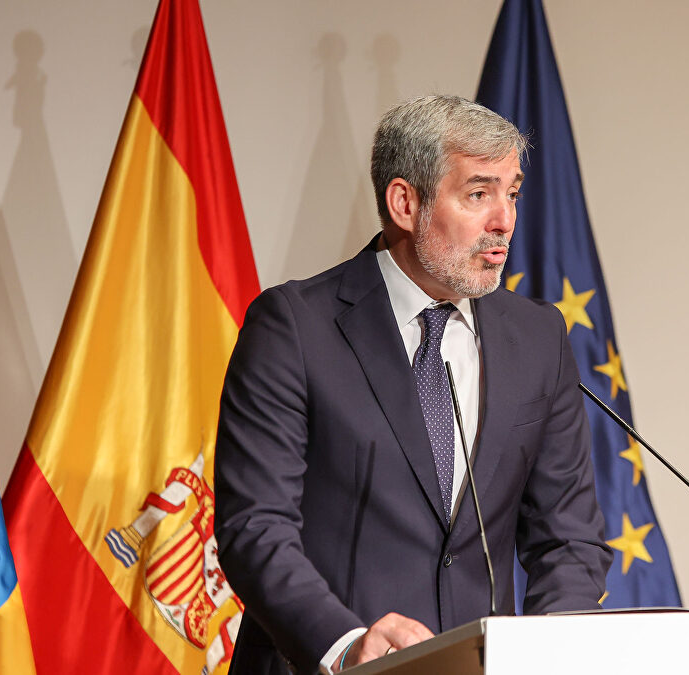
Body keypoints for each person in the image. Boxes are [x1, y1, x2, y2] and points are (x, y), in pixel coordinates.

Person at [213, 95, 611, 675]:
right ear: (405, 203)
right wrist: (345, 645)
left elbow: (568, 537)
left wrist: (553, 654)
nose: (504, 220)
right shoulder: (294, 328)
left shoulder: (537, 336)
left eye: (512, 193)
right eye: (478, 194)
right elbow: (255, 526)